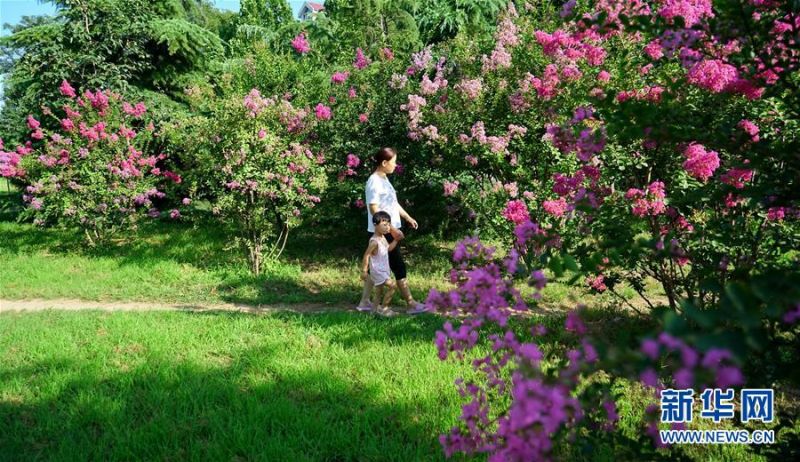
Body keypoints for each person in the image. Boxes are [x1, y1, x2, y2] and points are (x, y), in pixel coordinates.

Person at [355, 147, 427, 314]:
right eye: (393, 162)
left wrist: (408, 217)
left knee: (375, 266)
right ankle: (410, 304)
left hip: (388, 229)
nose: (395, 165)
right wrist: (391, 229)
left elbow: (392, 203)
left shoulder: (384, 179)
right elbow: (374, 208)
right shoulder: (374, 181)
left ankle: (364, 302)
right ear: (384, 162)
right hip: (383, 232)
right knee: (398, 265)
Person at [361, 211, 400, 317]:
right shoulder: (374, 242)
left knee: (378, 293)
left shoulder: (382, 238)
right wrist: (364, 271)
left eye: (388, 225)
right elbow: (366, 255)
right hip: (377, 271)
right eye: (384, 225)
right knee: (393, 285)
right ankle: (384, 309)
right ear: (375, 225)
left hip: (384, 269)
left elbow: (388, 249)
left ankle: (373, 312)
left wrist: (396, 240)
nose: (387, 227)